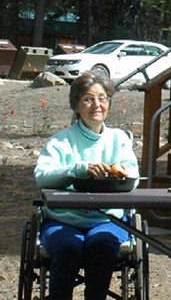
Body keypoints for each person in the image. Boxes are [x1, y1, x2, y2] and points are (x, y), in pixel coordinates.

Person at [34, 71, 139, 300]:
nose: (96, 105)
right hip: (63, 219)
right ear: (77, 105)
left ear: (109, 103)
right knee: (68, 248)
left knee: (102, 246)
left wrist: (114, 174)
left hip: (107, 219)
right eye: (88, 99)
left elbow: (133, 176)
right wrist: (77, 169)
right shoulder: (61, 141)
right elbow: (42, 176)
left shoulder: (119, 139)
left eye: (102, 98)